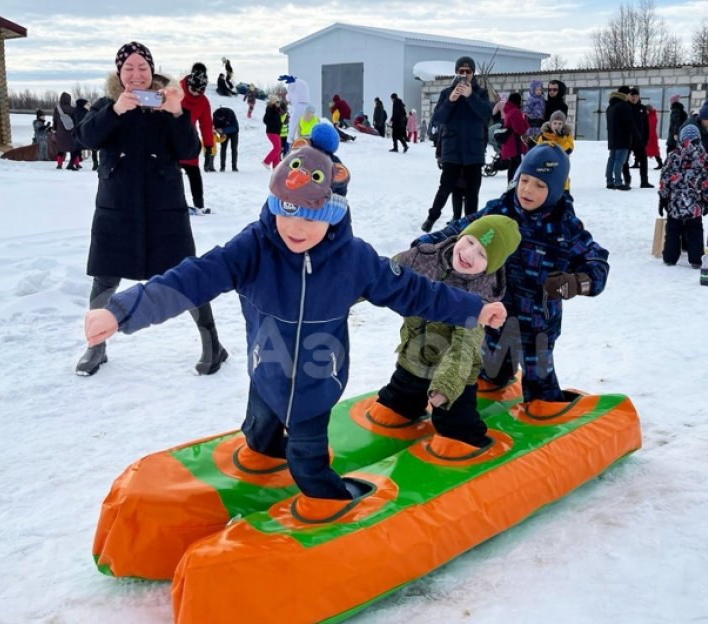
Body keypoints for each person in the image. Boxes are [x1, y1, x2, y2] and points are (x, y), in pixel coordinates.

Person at [82, 123, 508, 505]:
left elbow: (416, 292)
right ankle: (264, 454)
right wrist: (122, 311)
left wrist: (475, 307)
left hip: (315, 384)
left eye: (311, 215)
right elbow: (193, 278)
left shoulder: (353, 260)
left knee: (307, 457)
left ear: (334, 214)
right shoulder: (254, 247)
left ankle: (328, 500)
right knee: (260, 427)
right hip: (264, 371)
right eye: (287, 210)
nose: (295, 227)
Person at [74, 41, 227, 377]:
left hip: (163, 210)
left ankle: (213, 345)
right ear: (119, 73)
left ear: (152, 71)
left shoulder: (168, 104)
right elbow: (86, 138)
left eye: (142, 67)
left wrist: (175, 113)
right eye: (128, 68)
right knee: (105, 278)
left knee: (187, 276)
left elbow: (189, 150)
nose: (136, 74)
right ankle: (96, 346)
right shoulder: (107, 106)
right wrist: (115, 111)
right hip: (117, 209)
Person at [415, 144, 610, 402]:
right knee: (492, 370)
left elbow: (597, 262)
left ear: (555, 189)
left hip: (537, 324)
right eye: (525, 180)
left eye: (540, 185)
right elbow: (463, 229)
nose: (528, 190)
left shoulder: (564, 229)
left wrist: (576, 282)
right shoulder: (500, 212)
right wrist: (428, 244)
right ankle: (494, 385)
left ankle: (546, 411)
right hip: (496, 314)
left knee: (539, 381)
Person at [374, 215, 521, 450]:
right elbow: (379, 278)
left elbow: (464, 348)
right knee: (396, 404)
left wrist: (445, 388)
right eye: (470, 241)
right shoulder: (422, 259)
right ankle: (405, 407)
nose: (469, 254)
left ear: (491, 265)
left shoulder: (479, 298)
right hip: (413, 359)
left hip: (455, 374)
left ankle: (467, 442)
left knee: (454, 422)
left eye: (482, 254)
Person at [420, 56, 489, 232]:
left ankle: (470, 225)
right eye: (461, 71)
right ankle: (431, 218)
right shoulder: (446, 93)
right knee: (446, 186)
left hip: (473, 150)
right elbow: (438, 119)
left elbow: (485, 115)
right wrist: (451, 100)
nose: (464, 75)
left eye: (468, 72)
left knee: (472, 192)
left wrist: (471, 96)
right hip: (452, 149)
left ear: (473, 73)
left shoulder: (480, 93)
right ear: (456, 73)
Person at [658, 124, 708, 268]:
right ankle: (696, 259)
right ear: (699, 138)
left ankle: (670, 258)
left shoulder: (673, 155)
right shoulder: (704, 157)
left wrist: (663, 197)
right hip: (694, 203)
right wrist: (707, 199)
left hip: (675, 202)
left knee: (673, 230)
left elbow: (665, 178)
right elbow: (707, 180)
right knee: (695, 230)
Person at [179, 62, 214, 214]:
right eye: (193, 89)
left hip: (188, 142)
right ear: (189, 83)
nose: (195, 93)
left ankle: (199, 205)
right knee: (171, 175)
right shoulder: (175, 91)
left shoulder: (203, 102)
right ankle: (172, 202)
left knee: (194, 173)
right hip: (169, 142)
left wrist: (208, 147)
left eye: (199, 91)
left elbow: (206, 125)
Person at [605, 85, 637, 190]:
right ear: (626, 94)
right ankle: (618, 182)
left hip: (612, 137)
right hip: (623, 137)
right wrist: (636, 136)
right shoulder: (624, 105)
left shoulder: (610, 106)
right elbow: (629, 123)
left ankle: (609, 181)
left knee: (612, 159)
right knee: (620, 160)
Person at [536, 111, 573, 192]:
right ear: (550, 124)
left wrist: (561, 139)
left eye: (560, 124)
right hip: (547, 167)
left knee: (563, 188)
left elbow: (569, 150)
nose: (557, 126)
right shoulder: (544, 136)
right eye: (555, 123)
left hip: (561, 166)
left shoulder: (567, 135)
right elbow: (538, 152)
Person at [681, 98, 708, 169]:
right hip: (691, 166)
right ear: (703, 118)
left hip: (706, 164)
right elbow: (686, 149)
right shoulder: (690, 128)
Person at [624, 88, 653, 188]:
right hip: (627, 139)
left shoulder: (642, 108)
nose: (634, 98)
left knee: (643, 160)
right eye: (632, 96)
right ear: (628, 96)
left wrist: (646, 139)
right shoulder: (625, 107)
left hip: (639, 139)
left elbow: (646, 125)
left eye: (636, 96)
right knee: (625, 160)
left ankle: (644, 181)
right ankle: (627, 180)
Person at [498, 92, 529, 185]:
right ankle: (513, 184)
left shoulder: (509, 110)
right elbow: (519, 129)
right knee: (516, 164)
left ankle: (511, 184)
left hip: (510, 143)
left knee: (513, 164)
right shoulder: (515, 112)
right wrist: (525, 127)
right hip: (515, 144)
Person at [53, 91, 80, 170]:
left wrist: (54, 130)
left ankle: (59, 164)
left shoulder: (57, 109)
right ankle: (76, 164)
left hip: (60, 132)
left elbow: (55, 120)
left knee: (60, 149)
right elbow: (76, 120)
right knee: (73, 149)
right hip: (71, 132)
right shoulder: (73, 109)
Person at [212, 105, 239, 171]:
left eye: (221, 118)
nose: (220, 120)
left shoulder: (230, 113)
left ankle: (234, 166)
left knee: (234, 148)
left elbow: (235, 128)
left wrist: (223, 130)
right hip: (223, 133)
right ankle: (222, 166)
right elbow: (215, 125)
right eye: (219, 119)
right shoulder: (215, 115)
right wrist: (217, 130)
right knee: (223, 148)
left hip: (233, 132)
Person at [262, 97, 283, 168]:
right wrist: (272, 124)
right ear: (273, 102)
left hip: (277, 132)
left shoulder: (277, 110)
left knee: (278, 149)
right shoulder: (270, 109)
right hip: (271, 132)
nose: (278, 103)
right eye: (277, 102)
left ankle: (276, 167)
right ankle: (266, 162)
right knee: (277, 148)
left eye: (279, 102)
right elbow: (265, 120)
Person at [646, 103, 663, 169]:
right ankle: (660, 163)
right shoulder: (651, 116)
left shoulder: (651, 117)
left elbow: (650, 128)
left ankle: (660, 163)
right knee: (652, 150)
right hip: (651, 136)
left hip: (651, 136)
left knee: (654, 151)